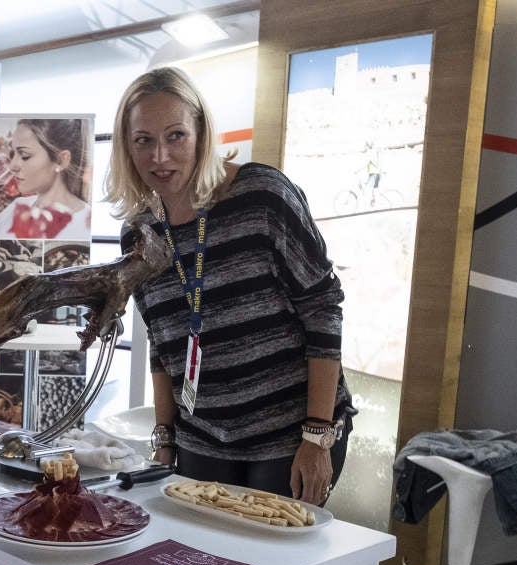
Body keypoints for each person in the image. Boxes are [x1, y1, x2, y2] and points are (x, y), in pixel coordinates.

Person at [106, 67, 355, 505]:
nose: (160, 157)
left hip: (290, 432)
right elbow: (165, 351)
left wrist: (317, 435)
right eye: (143, 140)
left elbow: (323, 309)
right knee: (204, 563)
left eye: (176, 136)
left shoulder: (262, 195)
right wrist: (164, 437)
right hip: (202, 437)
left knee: (273, 560)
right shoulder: (139, 236)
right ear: (126, 146)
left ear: (201, 134)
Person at [0, 119, 91, 241]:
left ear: (61, 160)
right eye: (13, 154)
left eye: (25, 156)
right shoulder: (15, 208)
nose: (12, 166)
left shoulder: (85, 223)